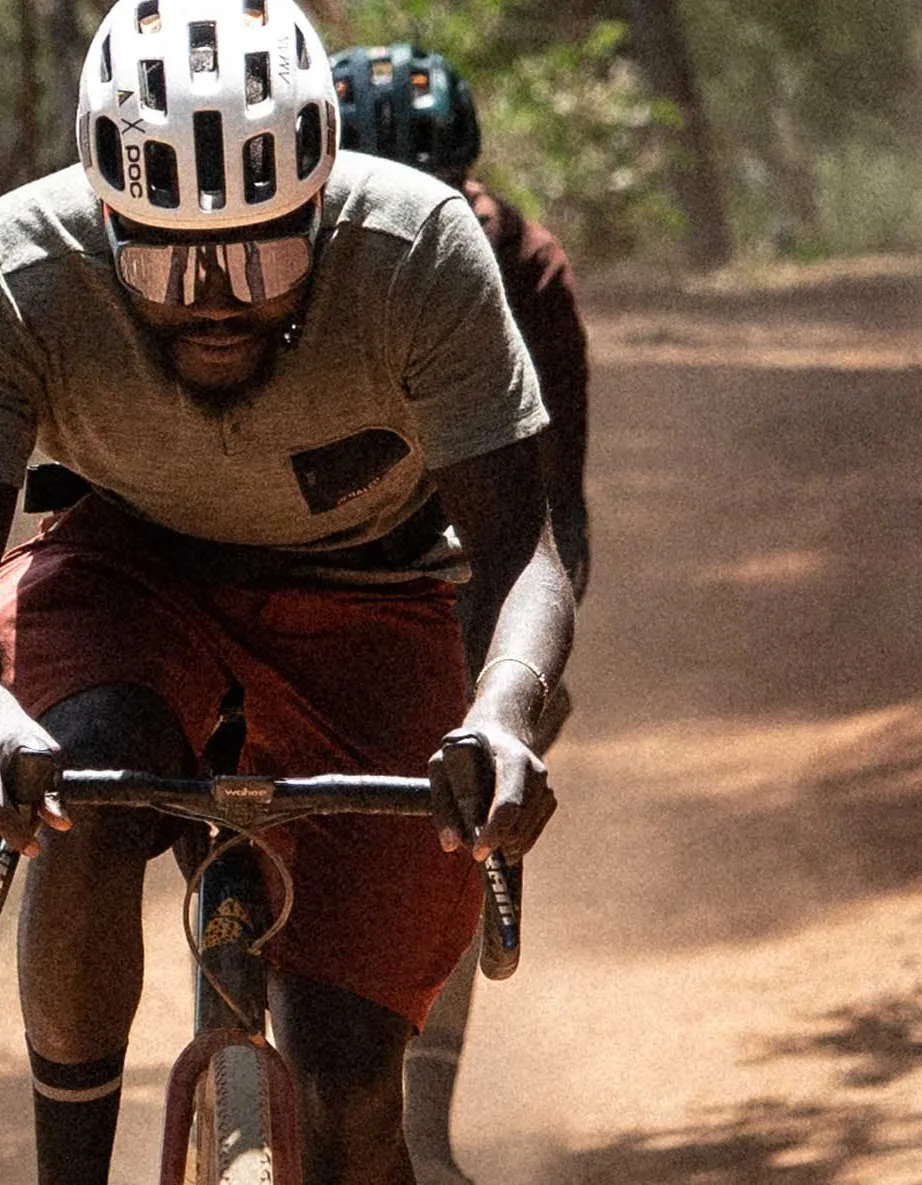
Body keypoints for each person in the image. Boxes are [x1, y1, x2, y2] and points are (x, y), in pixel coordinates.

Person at [0, 1, 575, 1181]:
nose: (213, 295)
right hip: (124, 572)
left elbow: (523, 553)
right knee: (85, 786)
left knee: (357, 1086)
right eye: (161, 258)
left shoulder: (417, 252)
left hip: (375, 587)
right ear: (104, 221)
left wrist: (504, 710)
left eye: (261, 254)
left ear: (321, 204)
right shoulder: (9, 271)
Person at [327, 41, 595, 1185]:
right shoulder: (287, 260)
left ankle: (422, 1120)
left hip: (460, 561)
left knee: (455, 796)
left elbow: (555, 509)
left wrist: (511, 679)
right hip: (303, 544)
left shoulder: (523, 269)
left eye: (444, 199)